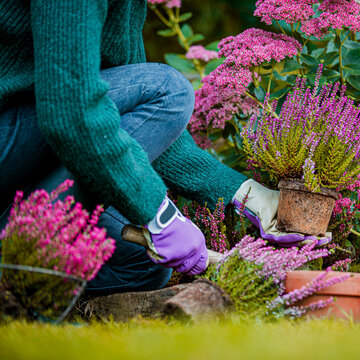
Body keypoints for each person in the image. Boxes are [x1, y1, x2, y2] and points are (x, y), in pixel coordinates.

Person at [0, 1, 328, 296]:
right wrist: (159, 217)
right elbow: (71, 112)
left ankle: (20, 277)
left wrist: (249, 196)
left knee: (142, 264)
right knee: (168, 90)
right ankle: (24, 249)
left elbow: (140, 124)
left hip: (26, 153)